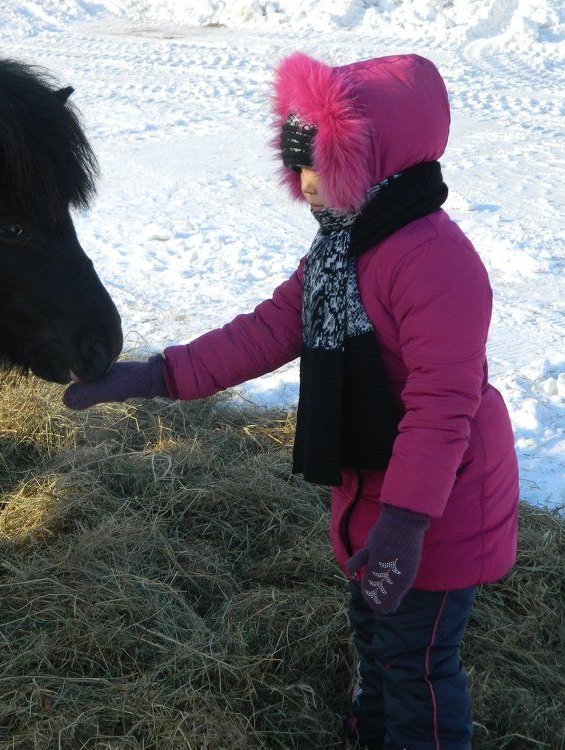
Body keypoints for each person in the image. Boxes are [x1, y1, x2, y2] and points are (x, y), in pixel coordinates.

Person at [63, 52, 519, 750]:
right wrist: (156, 376)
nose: (305, 184)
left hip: (437, 508)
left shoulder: (435, 260)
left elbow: (442, 408)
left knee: (418, 660)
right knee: (374, 636)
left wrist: (402, 527)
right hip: (371, 493)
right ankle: (372, 733)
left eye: (321, 164)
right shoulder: (342, 249)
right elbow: (267, 332)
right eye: (296, 162)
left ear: (374, 160)